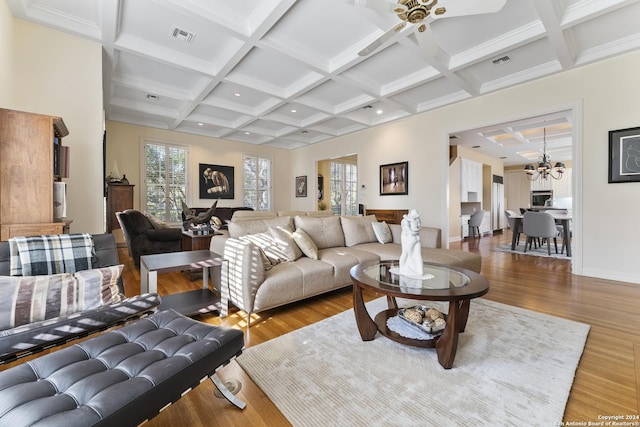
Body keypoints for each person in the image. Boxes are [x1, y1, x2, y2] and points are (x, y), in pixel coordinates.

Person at [399, 209, 423, 276]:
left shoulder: (416, 219)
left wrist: (416, 229)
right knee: (406, 253)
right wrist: (416, 230)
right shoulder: (405, 221)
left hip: (415, 238)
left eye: (416, 217)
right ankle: (403, 268)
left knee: (417, 254)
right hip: (407, 238)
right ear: (410, 215)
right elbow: (410, 232)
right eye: (414, 217)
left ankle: (419, 271)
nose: (415, 218)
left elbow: (419, 227)